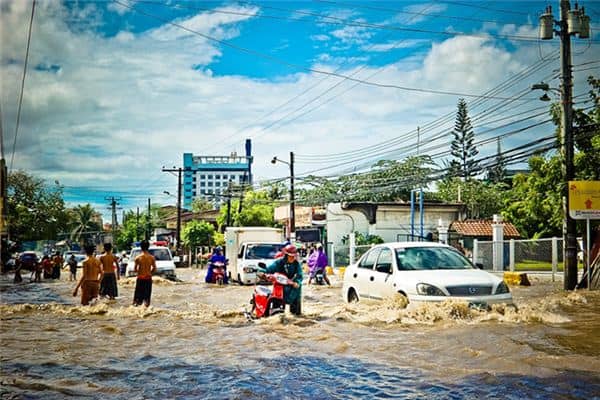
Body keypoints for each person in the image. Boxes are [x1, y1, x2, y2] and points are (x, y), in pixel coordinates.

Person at [258, 244, 303, 315]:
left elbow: (300, 275)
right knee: (277, 310)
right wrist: (262, 272)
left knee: (296, 314)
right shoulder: (279, 262)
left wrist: (297, 282)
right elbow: (269, 268)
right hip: (280, 286)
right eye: (290, 256)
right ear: (286, 255)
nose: (292, 258)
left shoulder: (297, 264)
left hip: (293, 287)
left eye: (293, 256)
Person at [133, 240, 156, 307]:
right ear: (148, 247)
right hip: (148, 279)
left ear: (141, 247)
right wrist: (149, 273)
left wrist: (139, 273)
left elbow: (135, 269)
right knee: (147, 299)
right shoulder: (152, 258)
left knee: (137, 300)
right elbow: (154, 268)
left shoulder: (138, 258)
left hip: (140, 278)